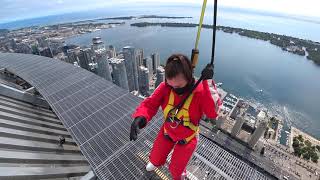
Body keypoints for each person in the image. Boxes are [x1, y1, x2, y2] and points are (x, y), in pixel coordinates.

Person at [130, 54, 221, 180]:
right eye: (170, 84)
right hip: (167, 131)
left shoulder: (199, 92)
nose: (174, 89)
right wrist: (140, 117)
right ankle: (156, 162)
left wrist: (208, 83)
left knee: (175, 169)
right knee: (155, 157)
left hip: (187, 138)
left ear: (188, 79)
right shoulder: (166, 87)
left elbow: (213, 112)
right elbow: (150, 103)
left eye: (178, 86)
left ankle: (180, 174)